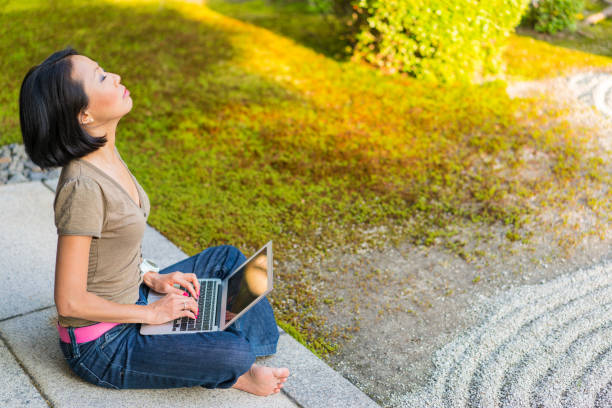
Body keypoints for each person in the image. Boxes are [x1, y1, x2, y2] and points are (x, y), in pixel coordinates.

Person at [18, 46, 290, 395]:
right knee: (234, 353)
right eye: (101, 77)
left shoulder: (105, 153)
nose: (114, 76)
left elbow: (114, 246)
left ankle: (223, 341)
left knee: (227, 259)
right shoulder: (82, 186)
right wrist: (153, 315)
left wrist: (152, 277)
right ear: (83, 114)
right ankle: (234, 361)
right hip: (103, 343)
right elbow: (70, 302)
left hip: (134, 298)